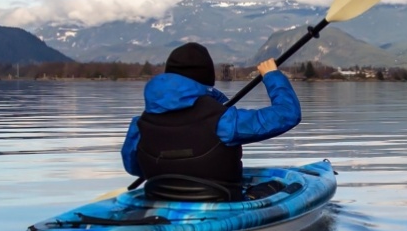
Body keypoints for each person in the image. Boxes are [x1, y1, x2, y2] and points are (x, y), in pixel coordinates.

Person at [122, 43, 300, 200]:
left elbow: (134, 168)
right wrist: (271, 75)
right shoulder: (224, 121)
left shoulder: (140, 124)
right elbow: (287, 114)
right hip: (222, 201)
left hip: (161, 197)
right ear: (207, 78)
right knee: (281, 187)